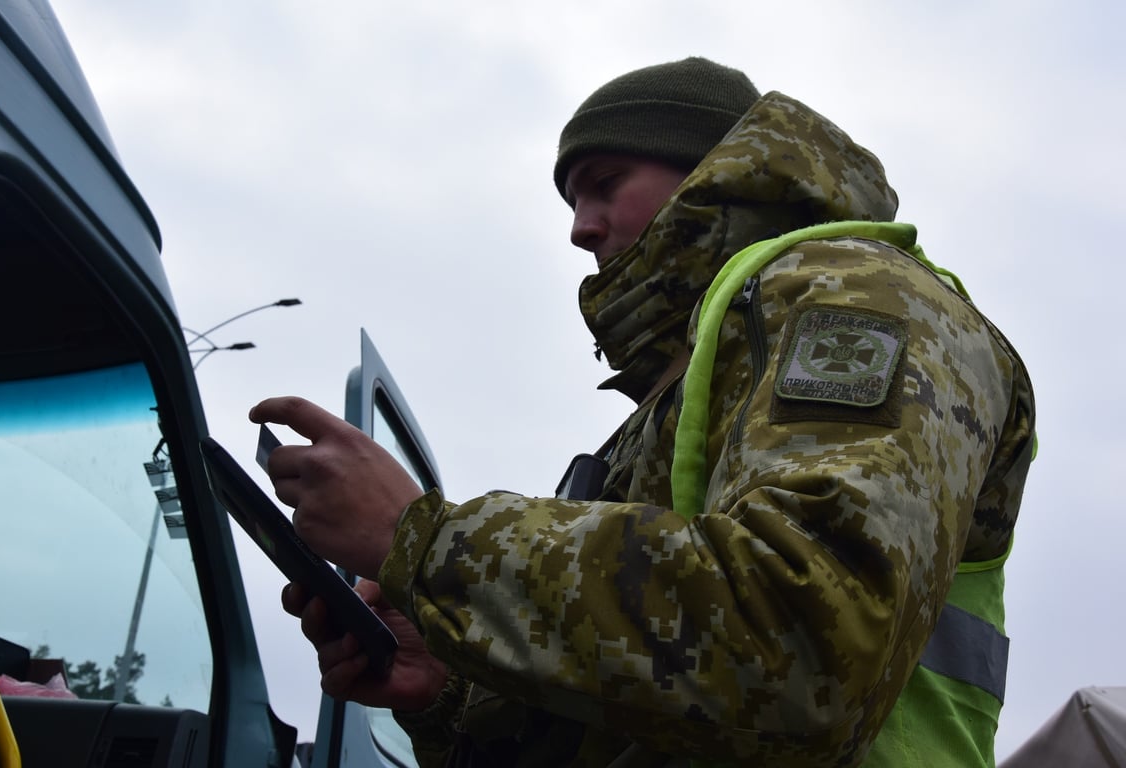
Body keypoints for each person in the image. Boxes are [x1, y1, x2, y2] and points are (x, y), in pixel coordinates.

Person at [251, 57, 1036, 767]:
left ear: (716, 172)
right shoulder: (688, 378)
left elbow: (802, 651)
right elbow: (652, 712)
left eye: (605, 181)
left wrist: (425, 542)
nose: (579, 227)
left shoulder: (857, 295)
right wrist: (445, 694)